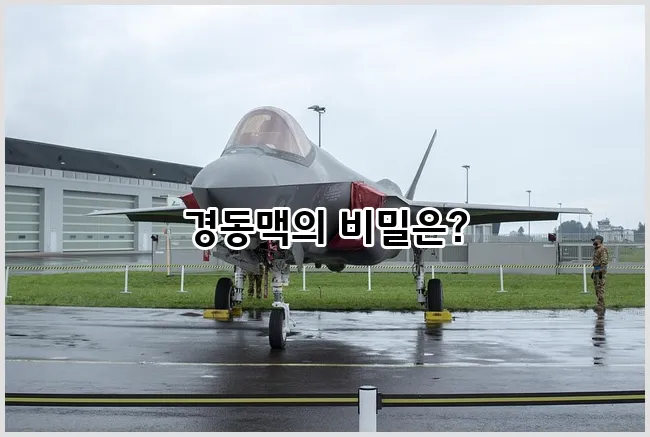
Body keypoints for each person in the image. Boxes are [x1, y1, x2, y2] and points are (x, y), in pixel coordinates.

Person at [590, 235, 609, 311]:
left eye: (594, 240)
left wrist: (600, 271)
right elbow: (596, 261)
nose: (593, 242)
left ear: (599, 241)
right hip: (596, 270)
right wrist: (593, 271)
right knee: (597, 289)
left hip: (600, 271)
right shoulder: (596, 249)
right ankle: (599, 304)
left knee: (600, 288)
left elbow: (604, 261)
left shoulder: (602, 249)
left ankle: (601, 305)